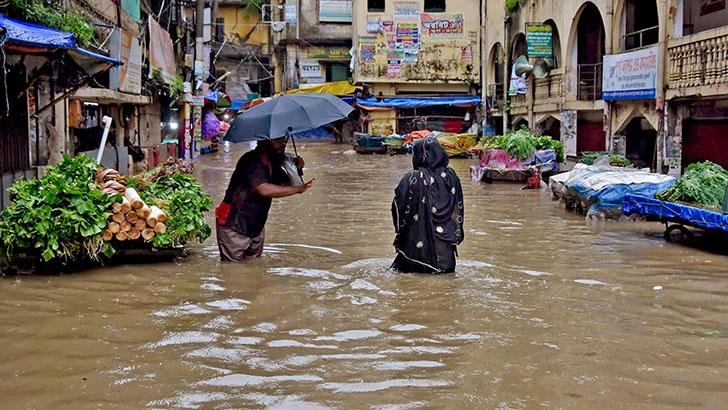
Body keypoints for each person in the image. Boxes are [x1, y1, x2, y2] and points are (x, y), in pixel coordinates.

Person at [215, 137, 315, 261]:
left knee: (254, 265)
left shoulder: (273, 164)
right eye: (277, 140)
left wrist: (296, 168)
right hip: (234, 223)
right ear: (263, 141)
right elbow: (263, 189)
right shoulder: (250, 161)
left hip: (256, 224)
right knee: (233, 268)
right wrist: (298, 189)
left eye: (282, 140)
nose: (281, 144)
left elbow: (288, 185)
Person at [391, 137, 464, 273]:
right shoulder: (452, 176)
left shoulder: (411, 178)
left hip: (415, 255)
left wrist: (400, 232)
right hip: (445, 258)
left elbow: (397, 207)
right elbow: (458, 208)